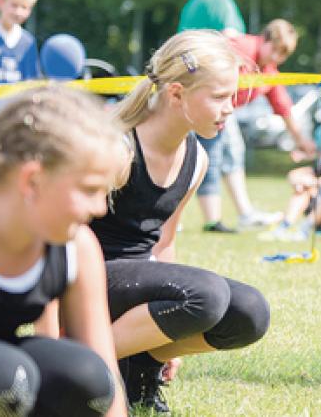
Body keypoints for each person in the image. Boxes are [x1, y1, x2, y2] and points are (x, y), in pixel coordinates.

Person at [90, 30, 270, 413]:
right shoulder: (118, 150)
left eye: (233, 96)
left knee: (250, 312)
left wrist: (169, 329)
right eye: (220, 97)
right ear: (176, 94)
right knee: (206, 294)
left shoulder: (196, 161)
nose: (230, 108)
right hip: (89, 275)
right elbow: (63, 239)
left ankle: (141, 365)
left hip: (135, 280)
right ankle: (85, 360)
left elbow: (163, 243)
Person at [0, 86, 130, 416]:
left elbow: (106, 375)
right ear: (32, 180)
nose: (100, 208)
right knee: (1, 380)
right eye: (90, 189)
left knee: (87, 376)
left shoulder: (77, 247)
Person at [178, 0, 281, 233]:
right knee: (210, 151)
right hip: (205, 90)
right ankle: (209, 219)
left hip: (201, 88)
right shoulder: (217, 1)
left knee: (228, 148)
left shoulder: (206, 0)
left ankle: (240, 212)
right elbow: (232, 47)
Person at [230, 19, 315, 173]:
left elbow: (284, 108)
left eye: (282, 54)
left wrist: (301, 141)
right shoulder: (241, 48)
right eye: (274, 49)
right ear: (264, 38)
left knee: (232, 154)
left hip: (221, 116)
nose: (276, 57)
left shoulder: (269, 72)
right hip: (197, 106)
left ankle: (240, 199)